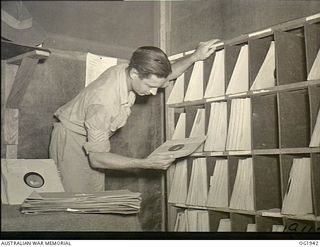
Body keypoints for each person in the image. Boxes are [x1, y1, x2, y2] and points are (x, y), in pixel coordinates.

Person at [49, 39, 220, 192]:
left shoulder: (132, 69)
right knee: (75, 203)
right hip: (71, 142)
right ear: (134, 75)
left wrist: (195, 57)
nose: (154, 92)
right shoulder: (103, 103)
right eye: (149, 86)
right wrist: (145, 163)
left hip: (89, 138)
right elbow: (97, 159)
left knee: (94, 197)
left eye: (156, 86)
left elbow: (163, 77)